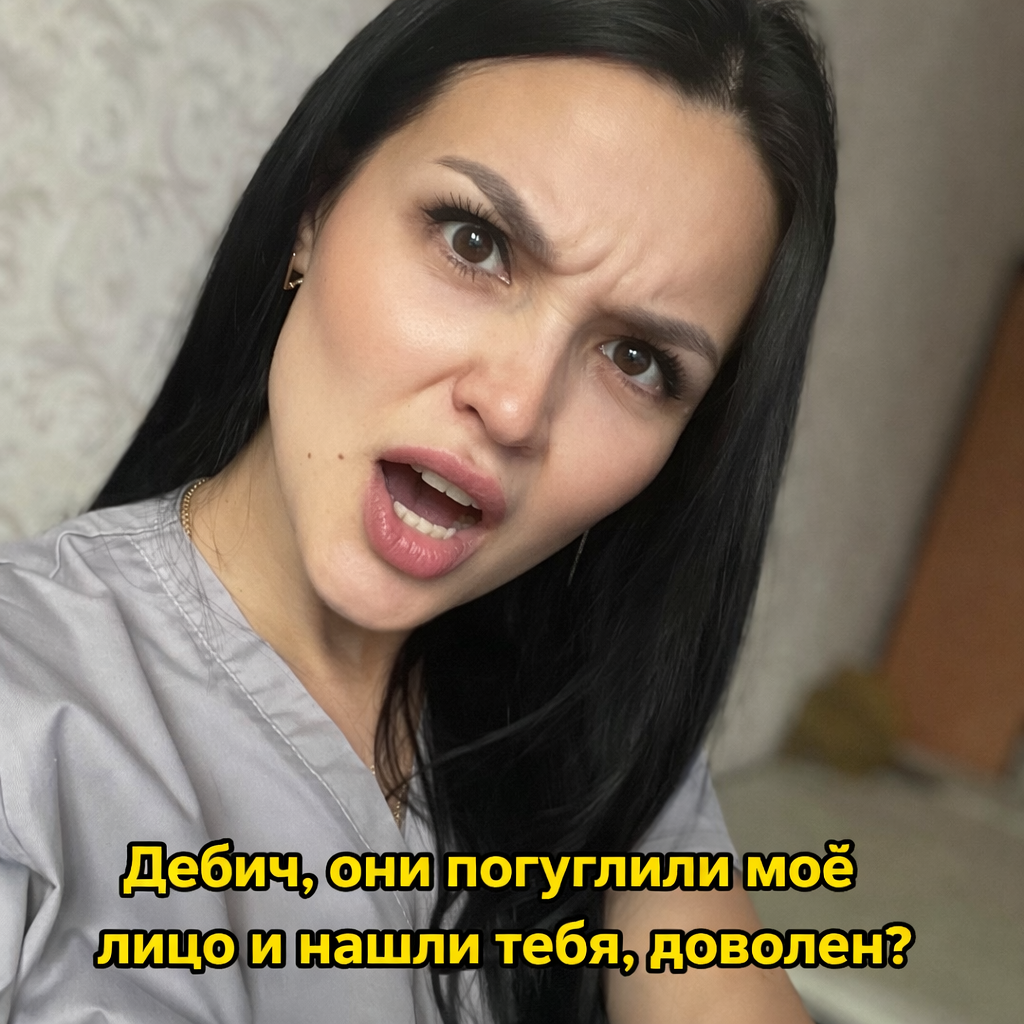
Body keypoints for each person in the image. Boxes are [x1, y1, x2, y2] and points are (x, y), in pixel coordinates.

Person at [0, 0, 836, 1020]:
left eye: (636, 358)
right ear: (317, 207)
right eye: (475, 243)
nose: (516, 406)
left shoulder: (597, 737)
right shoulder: (26, 715)